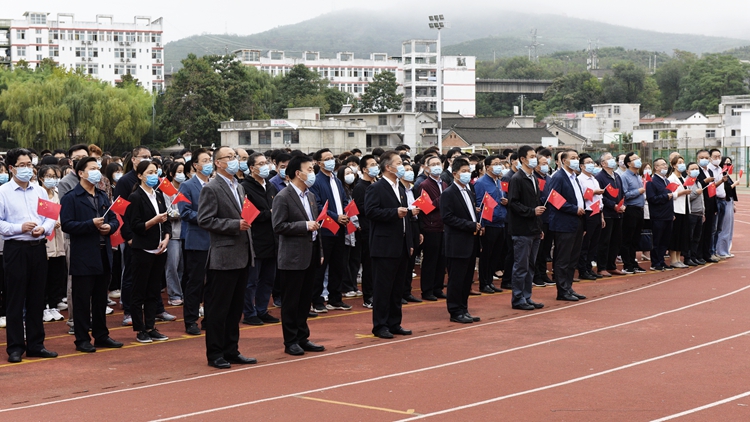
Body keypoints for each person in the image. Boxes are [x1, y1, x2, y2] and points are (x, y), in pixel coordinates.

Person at [197, 146, 257, 369]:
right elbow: (205, 220)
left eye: (235, 157)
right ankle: (215, 353)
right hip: (223, 256)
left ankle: (232, 350)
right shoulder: (211, 188)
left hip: (242, 254)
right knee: (218, 309)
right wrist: (234, 225)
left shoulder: (238, 186)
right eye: (229, 157)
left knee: (234, 309)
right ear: (218, 162)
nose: (234, 161)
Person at [0, 148, 58, 363]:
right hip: (16, 248)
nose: (27, 169)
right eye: (22, 165)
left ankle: (36, 344)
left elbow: (51, 216)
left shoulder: (39, 191)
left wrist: (44, 228)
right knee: (15, 299)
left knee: (37, 298)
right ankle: (15, 347)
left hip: (38, 247)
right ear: (11, 168)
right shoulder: (3, 192)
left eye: (29, 165)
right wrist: (19, 228)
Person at [60, 157, 123, 352]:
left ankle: (101, 335)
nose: (97, 172)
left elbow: (113, 218)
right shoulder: (71, 197)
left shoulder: (102, 195)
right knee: (81, 299)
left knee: (100, 298)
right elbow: (67, 225)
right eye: (92, 168)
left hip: (104, 252)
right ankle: (82, 339)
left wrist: (109, 227)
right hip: (83, 254)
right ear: (81, 173)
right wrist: (90, 225)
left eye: (98, 168)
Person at [272, 155, 326, 356]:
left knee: (305, 300)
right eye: (309, 169)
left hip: (310, 253)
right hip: (292, 257)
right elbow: (278, 226)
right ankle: (291, 340)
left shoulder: (310, 196)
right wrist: (304, 226)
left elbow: (317, 225)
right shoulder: (283, 196)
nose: (312, 173)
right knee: (291, 301)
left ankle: (303, 337)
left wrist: (320, 251)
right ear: (298, 173)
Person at [364, 150, 413, 338]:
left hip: (401, 244)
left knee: (397, 288)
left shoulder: (400, 188)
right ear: (388, 167)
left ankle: (394, 322)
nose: (402, 166)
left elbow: (405, 217)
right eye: (398, 163)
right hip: (384, 246)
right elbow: (370, 212)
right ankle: (380, 325)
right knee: (383, 288)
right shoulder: (376, 188)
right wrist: (394, 213)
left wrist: (409, 241)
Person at [125, 160, 172, 344]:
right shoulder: (135, 197)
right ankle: (140, 329)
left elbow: (166, 221)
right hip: (142, 250)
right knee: (139, 291)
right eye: (149, 172)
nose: (154, 176)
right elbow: (135, 225)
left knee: (154, 291)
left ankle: (151, 326)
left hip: (159, 249)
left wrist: (166, 238)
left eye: (155, 172)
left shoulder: (158, 194)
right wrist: (153, 221)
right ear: (140, 176)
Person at [309, 149, 351, 313]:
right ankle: (317, 300)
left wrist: (346, 214)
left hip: (340, 228)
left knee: (338, 266)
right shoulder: (316, 181)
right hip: (326, 229)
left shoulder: (337, 180)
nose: (331, 161)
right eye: (326, 159)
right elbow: (318, 205)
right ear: (319, 163)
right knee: (321, 267)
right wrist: (335, 216)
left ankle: (335, 298)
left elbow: (344, 200)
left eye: (332, 157)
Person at [440, 157, 483, 323]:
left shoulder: (469, 190)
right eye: (463, 171)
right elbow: (447, 217)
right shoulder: (449, 193)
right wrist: (470, 225)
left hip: (471, 241)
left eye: (468, 171)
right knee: (456, 279)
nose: (467, 174)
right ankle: (455, 311)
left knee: (466, 279)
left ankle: (464, 308)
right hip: (457, 243)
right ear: (455, 174)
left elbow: (470, 213)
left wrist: (477, 224)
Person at [240, 152, 280, 326]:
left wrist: (273, 213)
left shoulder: (270, 186)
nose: (265, 166)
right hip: (255, 240)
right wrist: (269, 214)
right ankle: (249, 312)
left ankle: (262, 310)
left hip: (272, 239)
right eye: (261, 164)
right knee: (251, 281)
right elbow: (249, 214)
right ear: (252, 168)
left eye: (266, 163)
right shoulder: (245, 187)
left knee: (268, 279)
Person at [178, 148, 213, 335]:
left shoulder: (214, 184)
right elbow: (185, 212)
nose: (208, 164)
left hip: (215, 240)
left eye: (210, 160)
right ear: (195, 165)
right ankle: (190, 320)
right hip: (197, 240)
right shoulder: (187, 186)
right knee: (195, 282)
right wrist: (207, 219)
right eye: (204, 160)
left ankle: (210, 318)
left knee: (213, 283)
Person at [507, 146, 545, 311]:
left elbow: (536, 202)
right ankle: (518, 298)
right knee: (521, 266)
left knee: (530, 266)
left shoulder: (533, 178)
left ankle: (526, 296)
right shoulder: (517, 178)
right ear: (522, 159)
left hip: (534, 229)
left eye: (535, 156)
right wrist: (531, 212)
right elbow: (513, 203)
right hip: (522, 230)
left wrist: (539, 226)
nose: (534, 159)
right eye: (531, 156)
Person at [547, 150, 587, 302]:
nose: (576, 160)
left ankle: (568, 287)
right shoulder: (558, 177)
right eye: (573, 158)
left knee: (572, 258)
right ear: (564, 161)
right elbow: (554, 199)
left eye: (577, 158)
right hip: (564, 223)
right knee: (563, 258)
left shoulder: (574, 177)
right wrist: (573, 209)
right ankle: (562, 290)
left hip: (577, 221)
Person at [473, 155, 507, 294]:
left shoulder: (499, 181)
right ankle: (484, 283)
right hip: (489, 223)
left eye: (500, 163)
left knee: (496, 255)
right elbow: (479, 203)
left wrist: (505, 202)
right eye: (496, 164)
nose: (499, 166)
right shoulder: (481, 183)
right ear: (487, 167)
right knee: (486, 255)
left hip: (501, 222)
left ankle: (490, 281)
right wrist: (482, 224)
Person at [417, 155, 448, 301]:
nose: (437, 166)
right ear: (427, 168)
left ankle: (438, 287)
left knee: (441, 260)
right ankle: (427, 290)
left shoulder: (444, 184)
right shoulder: (424, 185)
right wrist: (442, 199)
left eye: (438, 163)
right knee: (430, 260)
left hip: (444, 226)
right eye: (433, 164)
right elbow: (425, 208)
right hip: (431, 227)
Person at [39, 165, 67, 322]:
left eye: (55, 176)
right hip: (46, 240)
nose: (52, 179)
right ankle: (44, 307)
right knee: (44, 276)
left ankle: (54, 305)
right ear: (41, 178)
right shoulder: (39, 195)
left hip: (59, 239)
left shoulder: (58, 194)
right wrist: (50, 223)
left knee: (57, 274)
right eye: (49, 176)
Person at [352, 155, 378, 308]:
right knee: (368, 265)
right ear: (364, 169)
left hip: (378, 229)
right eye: (372, 165)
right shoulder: (360, 187)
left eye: (376, 164)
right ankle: (368, 297)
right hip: (367, 230)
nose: (376, 167)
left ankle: (377, 293)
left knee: (377, 266)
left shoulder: (377, 184)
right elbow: (360, 209)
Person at [595, 153, 626, 276]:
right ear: (603, 163)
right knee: (604, 241)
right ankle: (602, 267)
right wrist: (613, 205)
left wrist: (623, 204)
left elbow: (622, 193)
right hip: (608, 213)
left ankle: (611, 265)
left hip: (618, 214)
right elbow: (601, 197)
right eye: (609, 159)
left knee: (616, 241)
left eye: (612, 158)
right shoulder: (599, 177)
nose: (612, 160)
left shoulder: (617, 176)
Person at [576, 154, 605, 281]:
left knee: (594, 243)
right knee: (586, 243)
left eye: (592, 162)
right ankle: (583, 270)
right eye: (588, 162)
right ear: (582, 166)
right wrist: (593, 192)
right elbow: (580, 197)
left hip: (597, 212)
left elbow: (599, 199)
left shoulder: (594, 179)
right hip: (588, 213)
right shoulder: (580, 179)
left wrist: (602, 216)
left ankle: (589, 268)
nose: (591, 164)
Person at [620, 152, 648, 273]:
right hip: (630, 210)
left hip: (640, 210)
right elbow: (624, 194)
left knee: (636, 238)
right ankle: (627, 265)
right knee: (628, 238)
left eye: (638, 158)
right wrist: (638, 191)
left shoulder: (638, 176)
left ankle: (633, 262)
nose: (638, 160)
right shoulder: (624, 176)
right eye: (635, 159)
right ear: (628, 163)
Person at [646, 158, 675, 271]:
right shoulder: (652, 182)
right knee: (657, 240)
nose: (665, 166)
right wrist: (665, 197)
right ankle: (655, 262)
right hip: (658, 216)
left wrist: (672, 213)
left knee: (665, 240)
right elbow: (651, 199)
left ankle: (661, 261)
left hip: (668, 215)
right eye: (662, 165)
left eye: (665, 164)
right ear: (656, 167)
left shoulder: (666, 181)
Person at [163, 162, 185, 306]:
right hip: (173, 234)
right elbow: (168, 212)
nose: (182, 174)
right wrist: (183, 212)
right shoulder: (166, 191)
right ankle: (174, 294)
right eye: (179, 171)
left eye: (183, 171)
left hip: (185, 233)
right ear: (172, 174)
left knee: (182, 267)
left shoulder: (185, 188)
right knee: (172, 265)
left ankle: (180, 292)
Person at [400, 163, 422, 302]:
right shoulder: (398, 189)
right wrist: (409, 212)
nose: (409, 172)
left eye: (410, 170)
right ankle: (400, 292)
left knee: (411, 261)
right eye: (406, 170)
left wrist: (419, 231)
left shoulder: (412, 190)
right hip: (404, 225)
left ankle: (407, 291)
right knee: (403, 262)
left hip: (414, 225)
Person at [667, 155, 691, 268]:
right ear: (674, 165)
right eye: (679, 162)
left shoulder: (683, 178)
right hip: (676, 209)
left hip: (684, 209)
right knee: (675, 235)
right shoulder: (671, 179)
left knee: (682, 235)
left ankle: (678, 258)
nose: (682, 164)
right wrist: (682, 193)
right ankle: (673, 260)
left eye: (683, 162)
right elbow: (670, 194)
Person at [707, 149, 729, 260]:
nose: (717, 159)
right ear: (710, 158)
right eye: (715, 156)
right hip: (715, 200)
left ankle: (715, 250)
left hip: (722, 200)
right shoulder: (709, 170)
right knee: (713, 228)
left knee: (719, 228)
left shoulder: (720, 169)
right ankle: (710, 252)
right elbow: (710, 187)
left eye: (719, 156)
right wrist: (721, 181)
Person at [715, 156, 739, 259]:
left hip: (729, 202)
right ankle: (721, 250)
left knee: (729, 227)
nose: (728, 165)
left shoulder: (727, 175)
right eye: (726, 162)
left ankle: (726, 249)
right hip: (724, 201)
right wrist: (734, 184)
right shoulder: (721, 175)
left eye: (729, 163)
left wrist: (733, 204)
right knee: (724, 227)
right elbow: (726, 189)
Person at [685, 162, 706, 266]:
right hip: (692, 213)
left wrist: (703, 212)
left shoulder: (698, 182)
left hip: (699, 214)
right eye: (692, 169)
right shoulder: (687, 182)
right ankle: (687, 257)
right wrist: (695, 193)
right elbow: (687, 198)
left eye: (696, 169)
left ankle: (694, 257)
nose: (695, 171)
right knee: (690, 237)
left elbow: (702, 199)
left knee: (697, 238)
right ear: (687, 171)